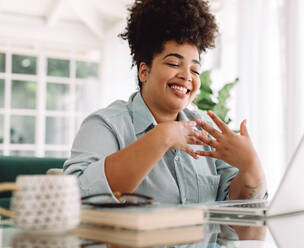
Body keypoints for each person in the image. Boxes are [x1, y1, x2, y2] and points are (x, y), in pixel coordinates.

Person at [64, 0, 267, 204]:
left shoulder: (207, 131)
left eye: (195, 70)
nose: (187, 76)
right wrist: (163, 136)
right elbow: (74, 197)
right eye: (173, 63)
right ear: (144, 72)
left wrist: (251, 168)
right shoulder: (105, 125)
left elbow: (238, 213)